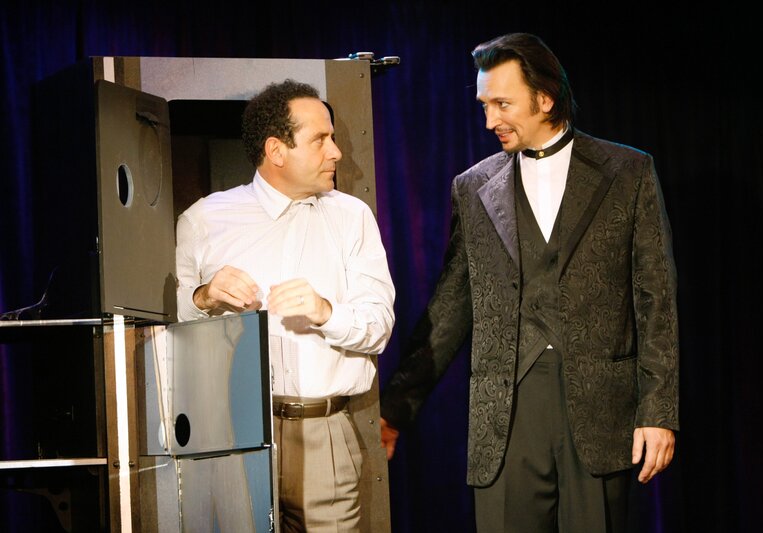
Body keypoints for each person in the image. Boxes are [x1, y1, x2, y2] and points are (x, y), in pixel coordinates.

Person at [379, 32, 679, 532]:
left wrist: (659, 410)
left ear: (545, 98)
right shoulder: (474, 187)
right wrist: (395, 409)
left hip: (598, 410)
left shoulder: (627, 172)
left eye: (502, 104)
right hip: (507, 412)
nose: (489, 120)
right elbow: (452, 305)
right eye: (485, 105)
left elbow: (656, 300)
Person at [175, 79, 396, 532]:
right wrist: (204, 297)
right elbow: (165, 329)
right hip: (232, 435)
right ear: (276, 150)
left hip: (325, 431)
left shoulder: (352, 217)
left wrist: (326, 312)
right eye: (321, 139)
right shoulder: (204, 219)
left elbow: (379, 326)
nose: (336, 152)